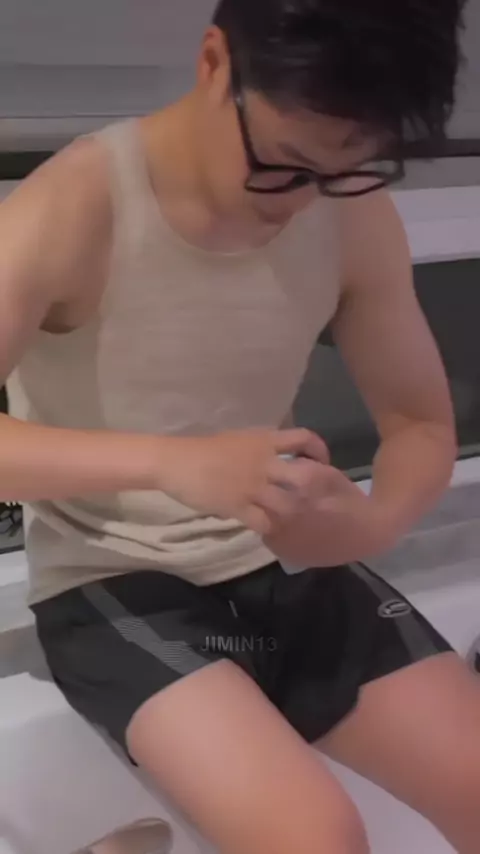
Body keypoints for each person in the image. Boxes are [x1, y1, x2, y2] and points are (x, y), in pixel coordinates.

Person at [1, 0, 479, 851]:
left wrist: (371, 524)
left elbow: (417, 423)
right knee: (316, 839)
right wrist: (171, 464)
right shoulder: (72, 205)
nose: (303, 203)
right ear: (215, 62)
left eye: (347, 170)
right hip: (114, 583)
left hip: (281, 561)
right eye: (284, 165)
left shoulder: (350, 209)